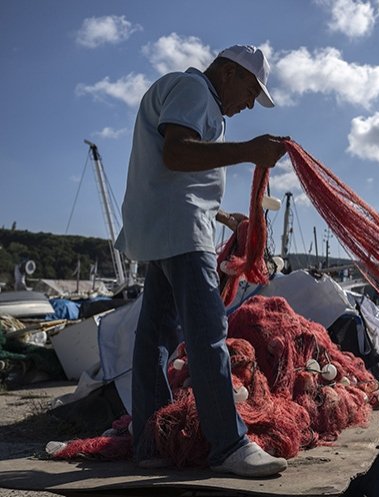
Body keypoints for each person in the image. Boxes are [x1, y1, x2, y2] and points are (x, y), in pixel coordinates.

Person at [115, 44, 288, 477]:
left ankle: (151, 441)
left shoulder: (191, 93)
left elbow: (173, 169)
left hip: (163, 226)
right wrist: (250, 151)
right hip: (181, 230)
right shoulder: (195, 90)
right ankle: (229, 445)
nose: (249, 104)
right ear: (229, 72)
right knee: (209, 331)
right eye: (251, 91)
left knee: (155, 334)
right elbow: (177, 153)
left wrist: (223, 214)